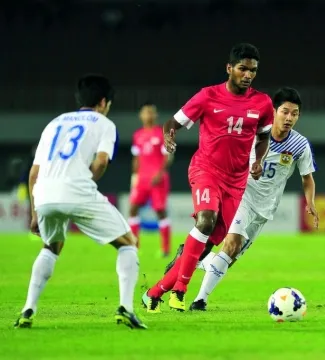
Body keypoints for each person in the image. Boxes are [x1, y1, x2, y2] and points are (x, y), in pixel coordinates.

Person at [143, 87, 319, 312]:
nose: (289, 118)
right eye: (285, 112)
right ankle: (198, 299)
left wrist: (310, 203)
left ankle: (190, 267)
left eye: (294, 114)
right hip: (241, 195)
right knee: (230, 242)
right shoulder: (252, 134)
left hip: (265, 209)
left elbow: (307, 178)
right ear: (273, 111)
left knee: (229, 254)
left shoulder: (299, 145)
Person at [144, 43, 274, 312]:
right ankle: (180, 290)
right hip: (206, 170)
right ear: (229, 68)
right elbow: (173, 122)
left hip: (236, 182)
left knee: (206, 246)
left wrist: (259, 160)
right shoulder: (207, 96)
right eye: (242, 69)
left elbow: (263, 137)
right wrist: (169, 135)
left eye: (253, 70)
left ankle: (153, 292)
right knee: (205, 220)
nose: (248, 75)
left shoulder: (262, 103)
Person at [14, 75, 146, 329]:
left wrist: (33, 213)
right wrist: (87, 182)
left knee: (51, 246)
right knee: (128, 242)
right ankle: (126, 309)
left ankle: (27, 309)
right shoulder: (104, 123)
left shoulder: (54, 123)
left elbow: (33, 173)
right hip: (76, 188)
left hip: (44, 193)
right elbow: (102, 161)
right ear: (103, 101)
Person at [128, 102, 173, 256]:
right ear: (141, 116)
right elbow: (136, 158)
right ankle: (134, 246)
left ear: (155, 116)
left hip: (157, 179)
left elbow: (168, 156)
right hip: (141, 179)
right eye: (145, 112)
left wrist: (160, 174)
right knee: (132, 209)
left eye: (151, 113)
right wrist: (135, 175)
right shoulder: (137, 135)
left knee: (160, 211)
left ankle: (165, 249)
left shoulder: (162, 133)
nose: (148, 115)